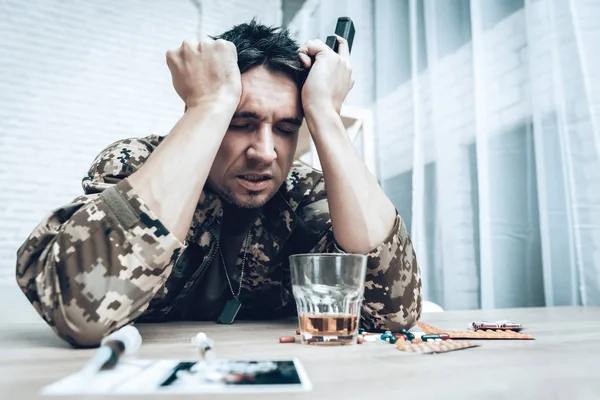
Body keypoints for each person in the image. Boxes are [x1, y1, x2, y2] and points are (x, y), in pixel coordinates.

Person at [15, 20, 422, 348]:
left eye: (286, 128)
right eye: (240, 123)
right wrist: (209, 104)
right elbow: (81, 311)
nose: (265, 151)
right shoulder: (137, 163)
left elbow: (394, 314)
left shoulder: (303, 192)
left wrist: (326, 115)